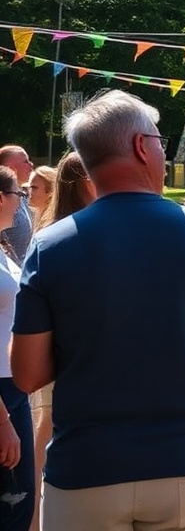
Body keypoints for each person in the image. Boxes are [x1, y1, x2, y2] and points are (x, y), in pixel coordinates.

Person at [11, 90, 185, 528]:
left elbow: (28, 374)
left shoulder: (49, 246)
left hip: (85, 469)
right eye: (161, 140)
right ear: (143, 147)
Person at [27, 151, 95, 531]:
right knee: (48, 425)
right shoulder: (65, 233)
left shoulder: (52, 228)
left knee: (49, 424)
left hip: (60, 345)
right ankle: (36, 518)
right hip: (61, 348)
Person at [0, 166, 32, 531]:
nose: (21, 203)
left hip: (13, 389)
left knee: (17, 504)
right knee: (12, 504)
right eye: (18, 195)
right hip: (2, 397)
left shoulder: (3, 245)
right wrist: (3, 419)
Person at [0, 145, 34, 266]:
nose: (31, 165)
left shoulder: (23, 197)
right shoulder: (5, 203)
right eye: (25, 161)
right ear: (10, 168)